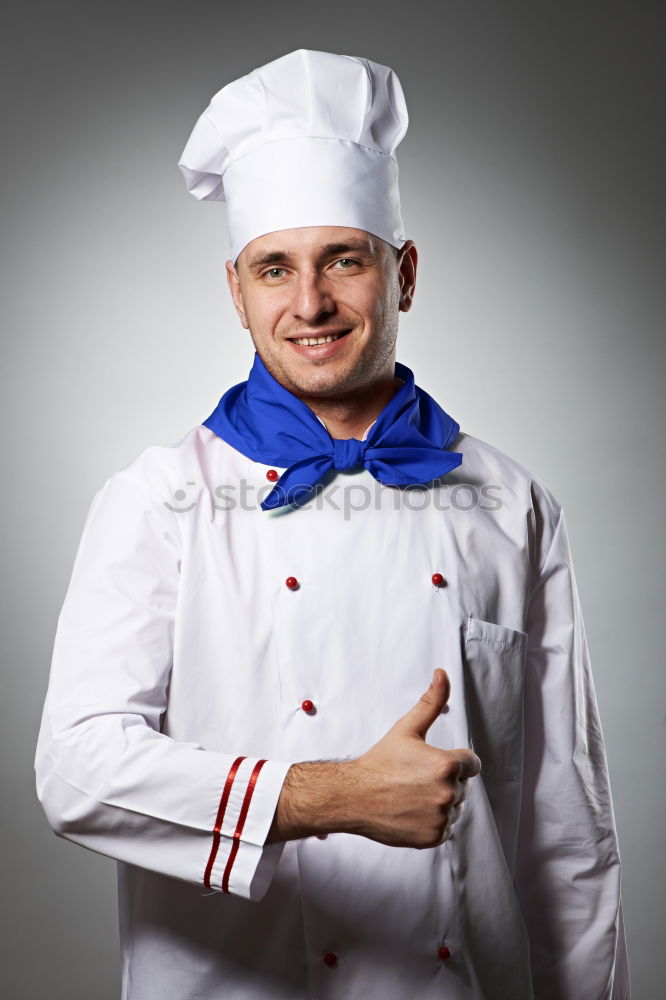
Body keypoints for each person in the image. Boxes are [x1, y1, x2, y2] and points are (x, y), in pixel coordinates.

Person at [35, 49, 630, 999]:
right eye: (276, 268)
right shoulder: (158, 498)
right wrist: (333, 796)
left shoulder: (513, 504)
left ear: (405, 272)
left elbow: (567, 834)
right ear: (237, 290)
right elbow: (77, 770)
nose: (308, 303)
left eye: (343, 261)